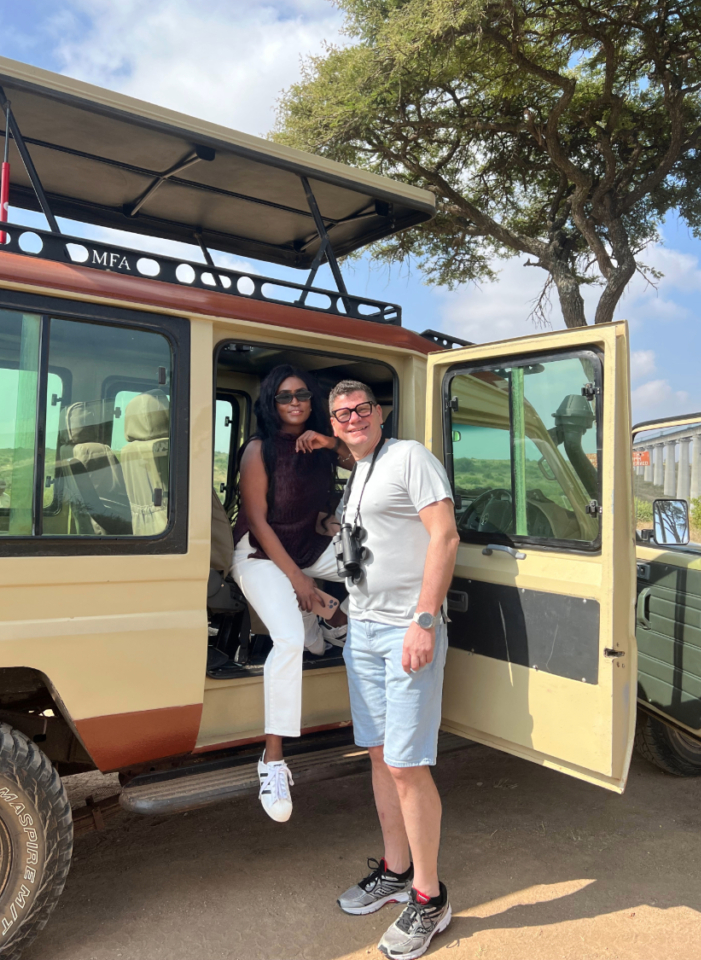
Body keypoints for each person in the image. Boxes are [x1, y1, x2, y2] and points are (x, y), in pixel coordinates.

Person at [329, 379, 459, 960]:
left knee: (407, 764)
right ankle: (396, 871)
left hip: (406, 629)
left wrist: (424, 621)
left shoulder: (409, 457)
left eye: (361, 409)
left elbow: (445, 536)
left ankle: (430, 898)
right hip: (363, 629)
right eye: (341, 413)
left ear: (380, 413)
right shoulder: (357, 472)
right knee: (380, 754)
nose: (352, 418)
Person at [231, 364, 352, 823]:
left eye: (302, 394)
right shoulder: (259, 450)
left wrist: (334, 442)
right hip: (261, 553)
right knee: (286, 640)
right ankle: (274, 761)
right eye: (285, 397)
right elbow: (259, 522)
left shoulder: (321, 446)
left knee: (377, 564)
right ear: (271, 403)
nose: (295, 402)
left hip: (307, 544)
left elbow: (372, 463)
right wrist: (301, 582)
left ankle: (337, 621)